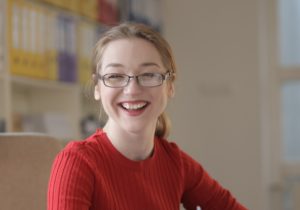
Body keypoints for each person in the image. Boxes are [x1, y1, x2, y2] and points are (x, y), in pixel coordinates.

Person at [47, 22, 247, 210]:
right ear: (97, 88)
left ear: (170, 86)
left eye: (149, 75)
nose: (132, 90)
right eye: (115, 76)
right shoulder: (77, 163)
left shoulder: (176, 164)